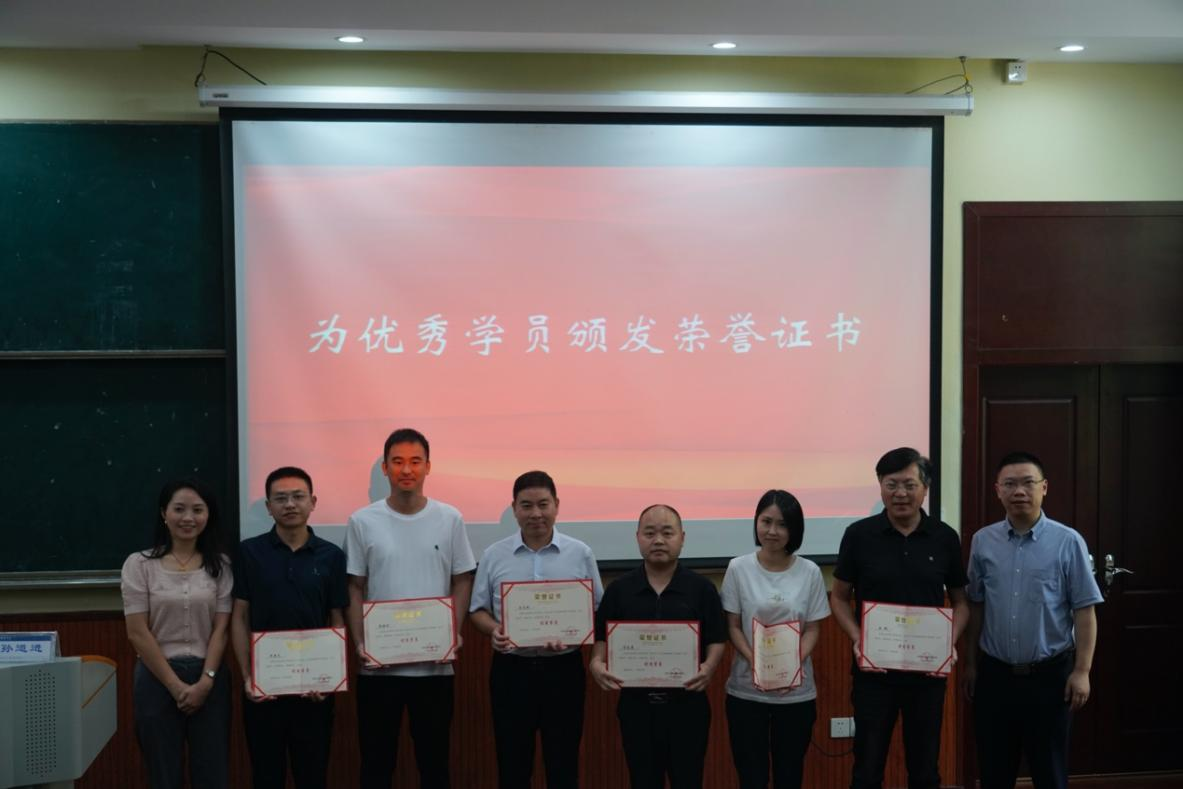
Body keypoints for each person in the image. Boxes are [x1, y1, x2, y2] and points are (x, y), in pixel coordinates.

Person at [344, 428, 476, 789]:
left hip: (434, 668)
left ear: (428, 467)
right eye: (398, 461)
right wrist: (360, 643)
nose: (407, 469)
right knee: (376, 766)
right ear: (385, 468)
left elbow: (462, 579)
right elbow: (354, 586)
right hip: (378, 668)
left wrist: (453, 632)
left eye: (415, 461)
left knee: (434, 766)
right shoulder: (362, 521)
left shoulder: (450, 518)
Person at [962, 451, 1103, 789]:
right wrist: (970, 665)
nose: (1019, 491)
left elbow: (1085, 610)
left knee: (1049, 771)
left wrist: (1082, 671)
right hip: (995, 676)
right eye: (1010, 484)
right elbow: (975, 605)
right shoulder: (983, 541)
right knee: (994, 771)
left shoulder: (1068, 541)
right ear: (998, 490)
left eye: (1028, 483)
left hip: (1049, 677)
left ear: (1044, 488)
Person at [830, 448, 969, 789]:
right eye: (891, 484)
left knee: (925, 770)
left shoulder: (944, 537)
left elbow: (961, 603)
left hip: (927, 674)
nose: (900, 493)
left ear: (926, 488)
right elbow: (839, 597)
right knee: (867, 770)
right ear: (880, 485)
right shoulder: (859, 535)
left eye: (909, 484)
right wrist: (858, 637)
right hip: (873, 674)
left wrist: (948, 643)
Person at [469, 470, 604, 789]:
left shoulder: (579, 553)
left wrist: (575, 633)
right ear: (514, 508)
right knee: (513, 765)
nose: (536, 513)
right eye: (526, 505)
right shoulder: (494, 555)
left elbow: (598, 608)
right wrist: (494, 630)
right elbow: (477, 610)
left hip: (563, 671)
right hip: (511, 671)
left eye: (543, 504)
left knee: (563, 764)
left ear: (556, 505)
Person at [589, 504, 727, 789]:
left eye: (667, 533)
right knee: (642, 781)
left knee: (688, 781)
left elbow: (716, 639)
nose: (659, 540)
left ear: (682, 538)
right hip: (636, 708)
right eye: (650, 533)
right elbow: (601, 639)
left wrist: (710, 666)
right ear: (637, 537)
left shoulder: (702, 589)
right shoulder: (619, 590)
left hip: (687, 707)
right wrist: (596, 663)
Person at [230, 466, 348, 789]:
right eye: (280, 498)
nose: (290, 504)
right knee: (266, 777)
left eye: (298, 496)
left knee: (313, 777)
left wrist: (330, 678)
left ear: (313, 502)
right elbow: (239, 617)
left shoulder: (332, 556)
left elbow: (337, 619)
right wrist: (247, 677)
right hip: (263, 690)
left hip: (314, 693)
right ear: (269, 507)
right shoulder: (249, 552)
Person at [120, 478, 232, 789]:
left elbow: (221, 629)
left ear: (208, 515)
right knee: (163, 774)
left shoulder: (221, 565)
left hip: (209, 678)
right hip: (157, 678)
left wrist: (206, 681)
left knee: (212, 774)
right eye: (179, 509)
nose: (188, 518)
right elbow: (137, 632)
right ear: (163, 513)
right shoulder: (139, 565)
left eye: (198, 510)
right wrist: (175, 685)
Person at [721, 489, 830, 789]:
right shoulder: (738, 568)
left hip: (795, 693)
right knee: (751, 777)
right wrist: (757, 662)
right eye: (766, 521)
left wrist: (791, 665)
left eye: (782, 524)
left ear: (795, 529)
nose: (772, 531)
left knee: (789, 775)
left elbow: (813, 629)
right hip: (747, 691)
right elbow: (732, 626)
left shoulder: (810, 572)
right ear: (756, 522)